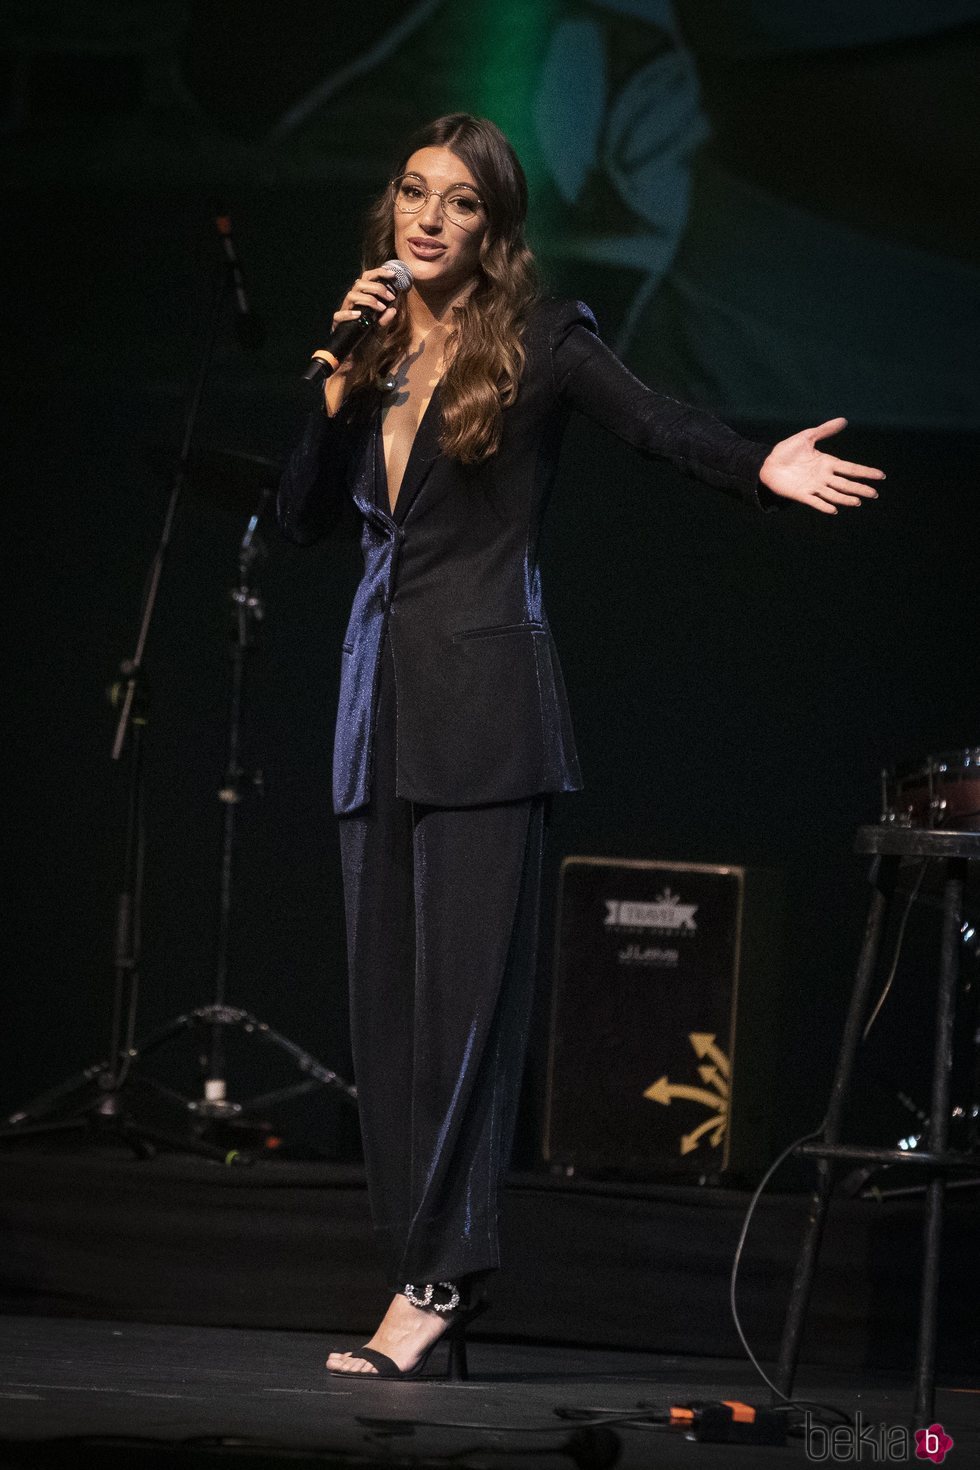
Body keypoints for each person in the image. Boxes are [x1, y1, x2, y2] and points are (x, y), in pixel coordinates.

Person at [277, 113, 884, 1381]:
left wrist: (750, 464)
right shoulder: (373, 345)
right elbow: (296, 524)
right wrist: (333, 384)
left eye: (457, 203)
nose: (425, 217)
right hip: (371, 714)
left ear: (493, 231)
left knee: (459, 1019)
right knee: (385, 1018)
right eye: (410, 193)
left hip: (485, 712)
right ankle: (411, 1264)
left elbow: (657, 424)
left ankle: (439, 1282)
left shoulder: (542, 340)